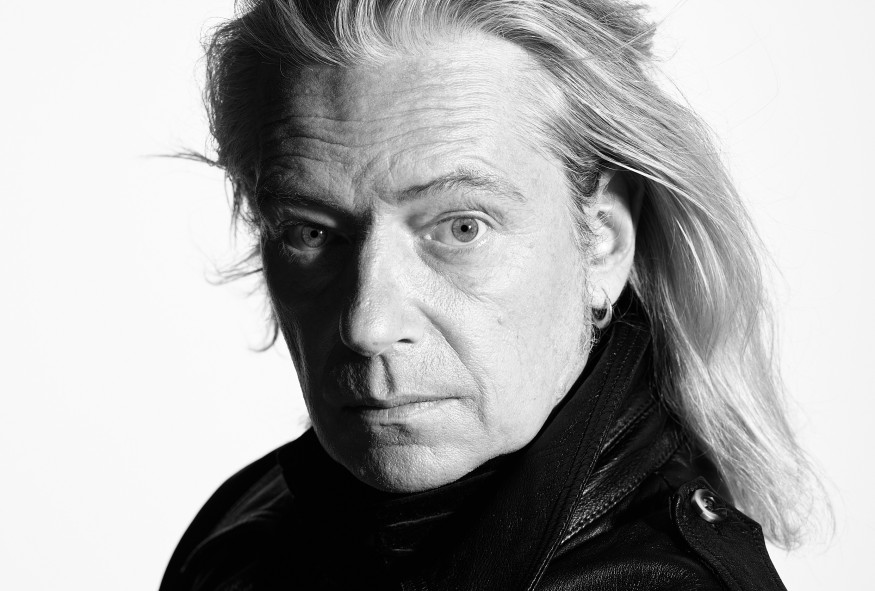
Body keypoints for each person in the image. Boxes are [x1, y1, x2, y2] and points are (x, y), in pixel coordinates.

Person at [161, 1, 823, 589]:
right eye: (310, 231)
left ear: (602, 240)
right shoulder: (243, 532)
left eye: (461, 228)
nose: (368, 322)